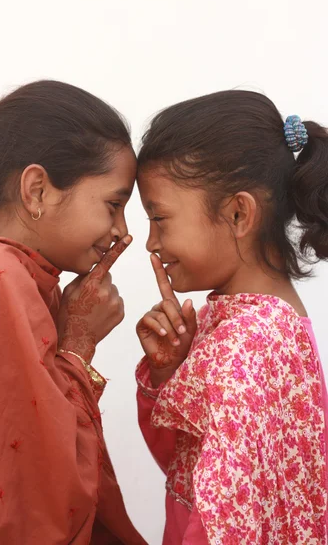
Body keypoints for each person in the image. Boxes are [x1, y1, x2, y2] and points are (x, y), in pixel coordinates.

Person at [0, 80, 145, 544]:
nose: (123, 233)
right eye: (114, 205)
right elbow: (35, 490)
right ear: (37, 190)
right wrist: (80, 344)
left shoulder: (18, 275)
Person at [135, 90, 328, 544]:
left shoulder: (244, 346)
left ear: (239, 213)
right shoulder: (268, 326)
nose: (150, 242)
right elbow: (191, 463)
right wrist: (170, 372)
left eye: (160, 219)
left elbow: (220, 521)